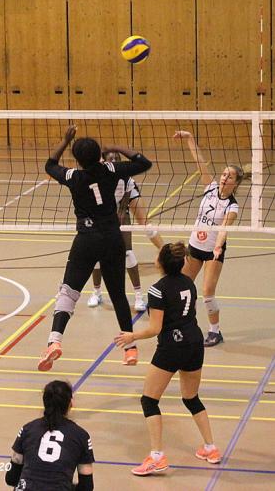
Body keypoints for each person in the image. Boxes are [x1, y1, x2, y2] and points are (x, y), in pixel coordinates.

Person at [37, 125, 152, 371]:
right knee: (118, 294)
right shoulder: (111, 170)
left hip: (87, 239)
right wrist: (116, 146)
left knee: (68, 291)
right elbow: (144, 163)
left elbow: (49, 165)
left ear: (78, 160)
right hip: (112, 238)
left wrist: (65, 140)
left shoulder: (73, 177)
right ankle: (130, 348)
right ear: (100, 154)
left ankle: (54, 341)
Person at [114, 242, 221, 476]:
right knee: (191, 398)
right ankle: (210, 448)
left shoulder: (157, 290)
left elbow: (155, 328)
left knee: (149, 401)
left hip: (173, 346)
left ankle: (157, 457)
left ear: (160, 263)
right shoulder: (189, 283)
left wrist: (132, 336)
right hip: (194, 341)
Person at [174, 130, 245, 347]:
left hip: (213, 250)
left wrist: (218, 247)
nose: (224, 178)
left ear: (235, 183)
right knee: (182, 285)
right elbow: (199, 161)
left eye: (229, 176)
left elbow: (223, 229)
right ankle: (183, 324)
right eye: (223, 174)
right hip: (194, 247)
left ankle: (215, 331)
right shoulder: (210, 187)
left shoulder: (232, 206)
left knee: (207, 293)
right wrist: (189, 138)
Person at [87, 150, 164, 311]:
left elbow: (122, 210)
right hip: (101, 213)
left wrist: (115, 226)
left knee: (128, 251)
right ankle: (96, 292)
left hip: (119, 211)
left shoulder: (126, 178)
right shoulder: (97, 177)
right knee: (96, 254)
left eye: (117, 159)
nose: (114, 161)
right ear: (104, 162)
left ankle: (139, 296)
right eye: (111, 159)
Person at [5, 380, 94, 490]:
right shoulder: (81, 436)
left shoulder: (27, 429)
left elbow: (11, 478)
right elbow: (87, 487)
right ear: (71, 404)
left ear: (45, 402)